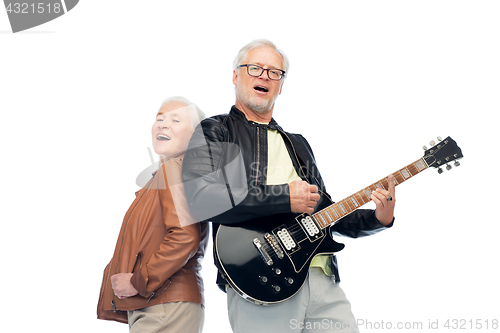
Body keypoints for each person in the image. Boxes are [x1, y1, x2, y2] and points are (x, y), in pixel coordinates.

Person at [182, 40, 396, 333]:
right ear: (235, 76)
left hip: (322, 280)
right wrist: (284, 198)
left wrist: (378, 218)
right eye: (255, 68)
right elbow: (201, 199)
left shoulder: (298, 143)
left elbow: (325, 211)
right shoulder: (216, 130)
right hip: (261, 280)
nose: (264, 77)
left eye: (274, 72)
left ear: (281, 85)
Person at [97, 97, 209, 333]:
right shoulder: (169, 174)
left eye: (175, 119)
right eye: (159, 118)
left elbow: (184, 236)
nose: (163, 124)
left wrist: (139, 281)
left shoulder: (173, 169)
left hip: (164, 305)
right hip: (160, 305)